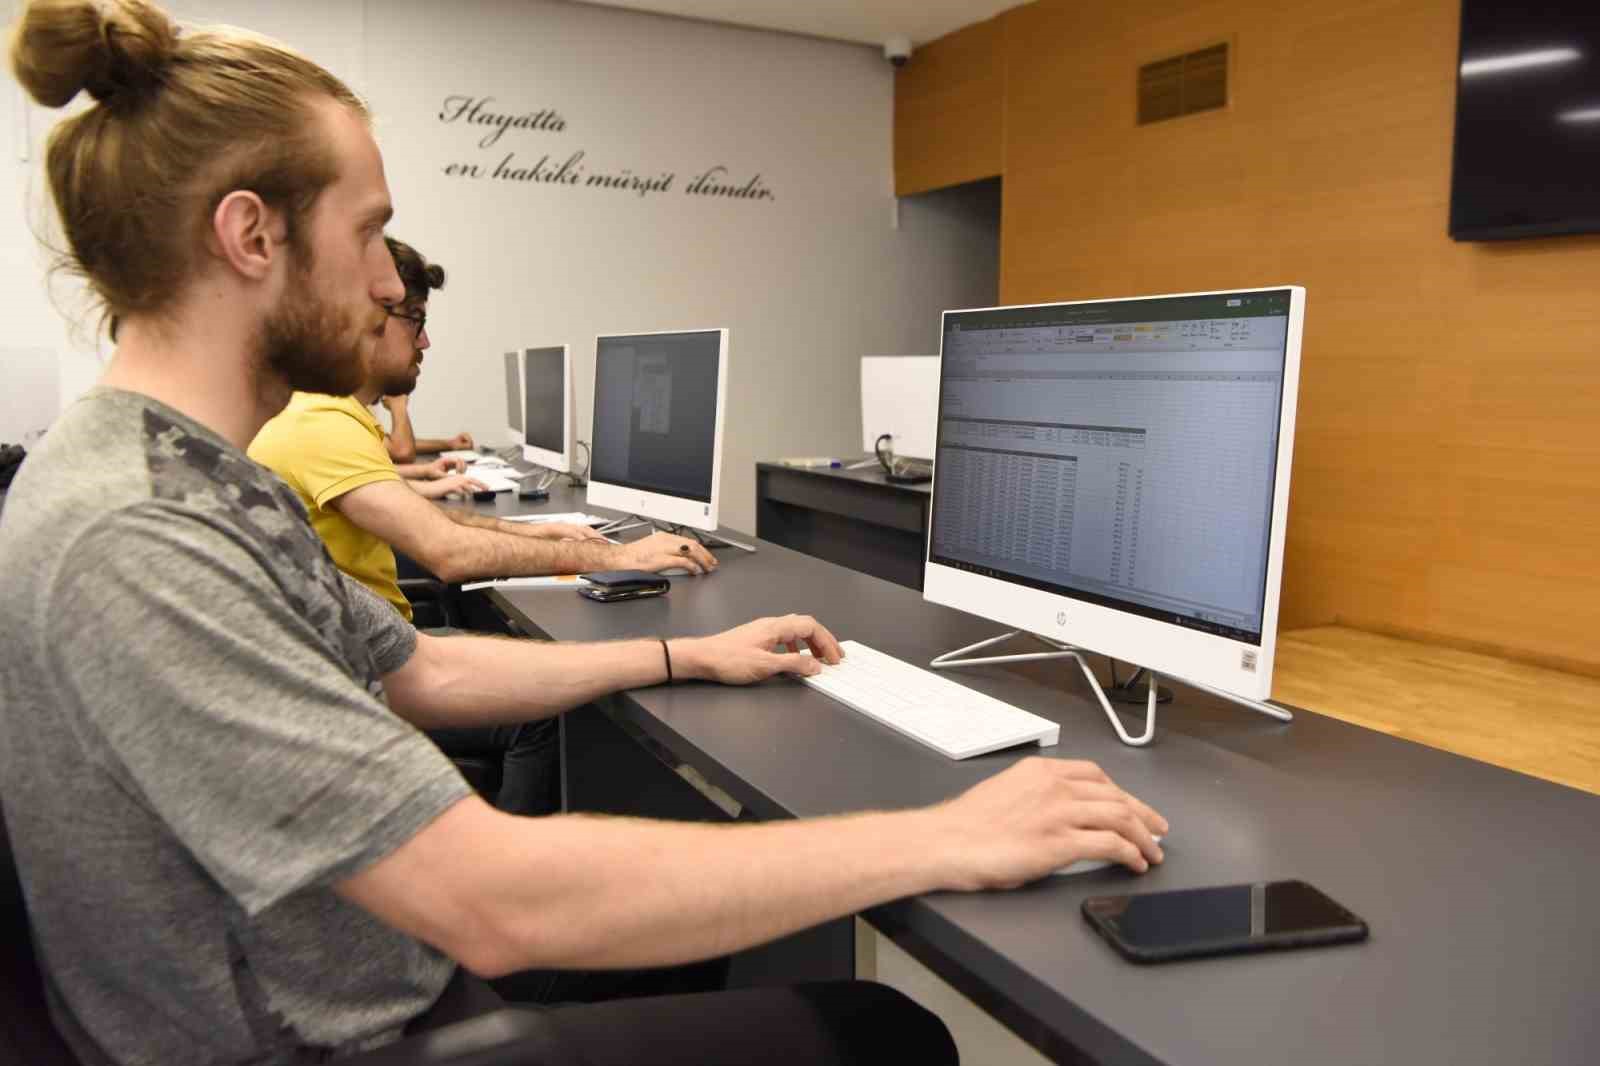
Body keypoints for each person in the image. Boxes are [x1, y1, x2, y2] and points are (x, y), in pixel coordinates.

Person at [0, 4, 1168, 1065]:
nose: (384, 281)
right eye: (369, 233)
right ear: (251, 236)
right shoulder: (139, 533)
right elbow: (491, 900)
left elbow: (418, 663)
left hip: (358, 973)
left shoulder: (197, 474)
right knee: (884, 1030)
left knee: (704, 917)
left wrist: (684, 654)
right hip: (341, 1035)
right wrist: (942, 838)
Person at [249, 233, 716, 615]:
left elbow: (421, 519)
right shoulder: (318, 420)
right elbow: (449, 552)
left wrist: (530, 532)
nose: (425, 341)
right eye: (415, 320)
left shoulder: (330, 413)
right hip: (376, 680)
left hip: (378, 653)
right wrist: (622, 556)